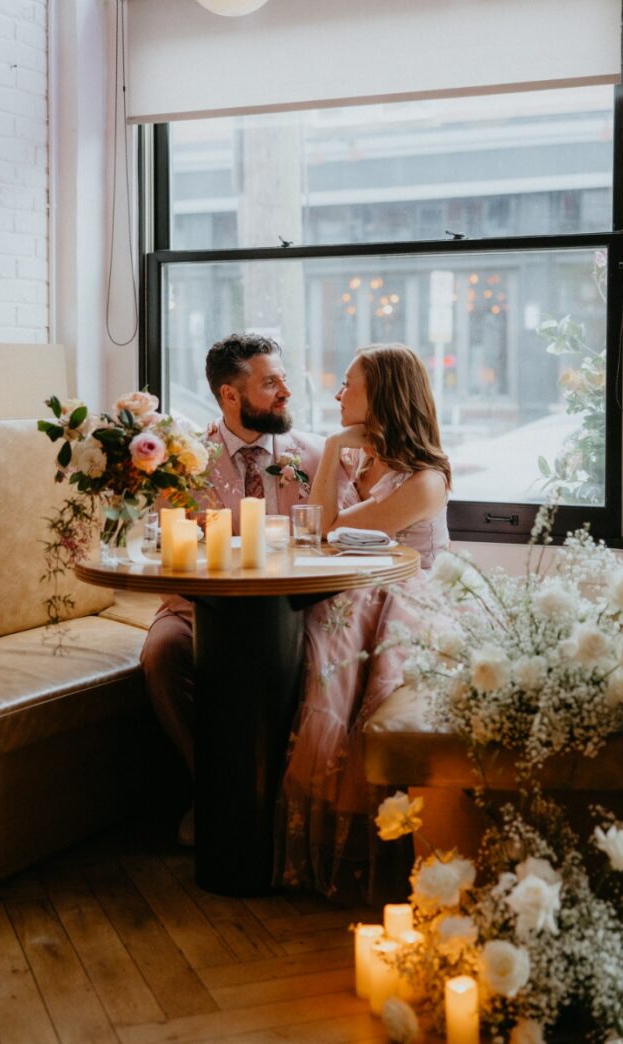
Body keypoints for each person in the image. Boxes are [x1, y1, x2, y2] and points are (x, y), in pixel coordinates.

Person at [275, 343, 451, 902]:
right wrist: (334, 450)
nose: (337, 393)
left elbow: (331, 532)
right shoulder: (354, 457)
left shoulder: (425, 478)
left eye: (348, 383)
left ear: (381, 394)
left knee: (334, 637)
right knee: (301, 628)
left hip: (404, 598)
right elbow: (319, 524)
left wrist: (331, 447)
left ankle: (360, 846)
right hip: (352, 591)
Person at [140, 332, 325, 843]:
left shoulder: (315, 455)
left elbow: (333, 539)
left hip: (292, 611)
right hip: (197, 609)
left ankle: (281, 803)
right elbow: (164, 543)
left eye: (284, 379)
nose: (285, 392)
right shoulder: (180, 458)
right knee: (160, 655)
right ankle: (217, 791)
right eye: (270, 383)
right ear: (230, 395)